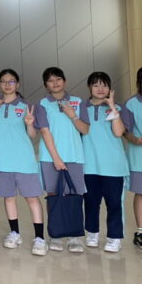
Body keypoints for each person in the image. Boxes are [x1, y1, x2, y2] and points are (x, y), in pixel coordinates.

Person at [0, 69, 47, 256]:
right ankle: (14, 233)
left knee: (32, 198)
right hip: (2, 161)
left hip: (24, 160)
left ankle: (39, 238)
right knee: (9, 197)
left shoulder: (27, 106)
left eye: (11, 81)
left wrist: (29, 123)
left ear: (17, 84)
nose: (7, 85)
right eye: (3, 81)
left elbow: (32, 135)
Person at [34, 67, 90, 253]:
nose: (55, 83)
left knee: (75, 195)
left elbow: (85, 130)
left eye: (58, 79)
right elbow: (44, 131)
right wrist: (57, 159)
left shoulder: (78, 101)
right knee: (53, 195)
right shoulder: (42, 103)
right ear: (46, 85)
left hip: (74, 155)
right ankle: (56, 234)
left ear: (64, 81)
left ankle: (74, 236)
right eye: (50, 80)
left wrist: (72, 115)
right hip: (50, 158)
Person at [82, 72, 131, 253]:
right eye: (96, 85)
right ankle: (92, 233)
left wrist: (112, 107)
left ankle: (114, 237)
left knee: (114, 204)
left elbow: (118, 133)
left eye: (104, 85)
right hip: (89, 165)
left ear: (110, 88)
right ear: (89, 87)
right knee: (91, 203)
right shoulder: (82, 108)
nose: (100, 89)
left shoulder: (119, 107)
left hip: (113, 167)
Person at [125, 67, 142, 249]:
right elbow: (125, 131)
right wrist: (135, 140)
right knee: (141, 193)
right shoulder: (131, 104)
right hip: (139, 157)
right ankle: (141, 231)